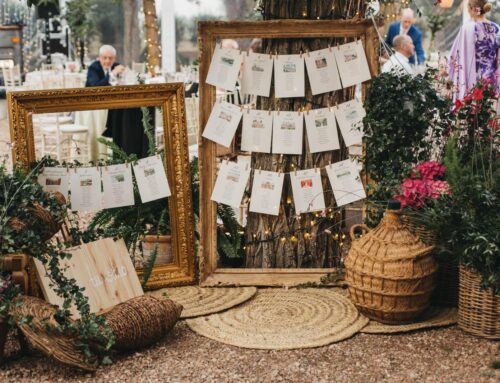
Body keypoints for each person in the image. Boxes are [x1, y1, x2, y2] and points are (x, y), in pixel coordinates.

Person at [448, 0, 499, 101]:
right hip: (491, 81)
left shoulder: (467, 28)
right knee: (489, 113)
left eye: (467, 8)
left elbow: (455, 54)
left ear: (472, 9)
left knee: (472, 112)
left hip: (471, 83)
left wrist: (447, 70)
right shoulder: (496, 28)